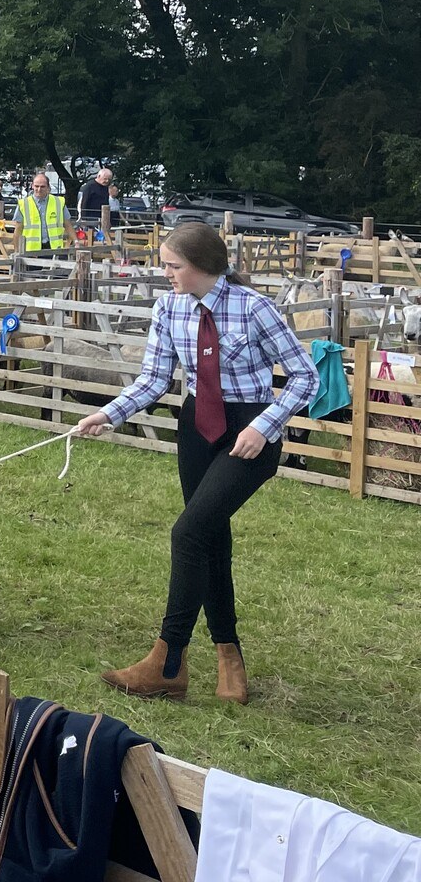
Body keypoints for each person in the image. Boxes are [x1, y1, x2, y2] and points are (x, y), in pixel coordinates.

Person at [74, 222, 319, 705]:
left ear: (203, 267)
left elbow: (305, 378)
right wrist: (108, 415)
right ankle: (227, 655)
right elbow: (153, 379)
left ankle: (167, 661)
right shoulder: (169, 308)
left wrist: (263, 427)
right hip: (197, 431)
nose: (163, 272)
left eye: (172, 265)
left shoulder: (255, 309)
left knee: (188, 532)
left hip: (247, 434)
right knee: (208, 537)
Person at [14, 172, 70, 252]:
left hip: (54, 249)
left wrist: (76, 241)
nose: (39, 189)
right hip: (31, 250)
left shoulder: (59, 202)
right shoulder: (23, 204)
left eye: (42, 187)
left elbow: (68, 225)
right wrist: (16, 250)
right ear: (32, 186)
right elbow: (18, 229)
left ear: (48, 187)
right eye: (36, 186)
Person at [77, 167, 114, 234]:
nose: (107, 181)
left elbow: (106, 202)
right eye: (105, 179)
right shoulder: (89, 186)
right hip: (89, 217)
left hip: (102, 217)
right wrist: (83, 219)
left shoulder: (105, 188)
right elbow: (84, 202)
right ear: (99, 176)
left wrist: (108, 219)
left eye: (109, 179)